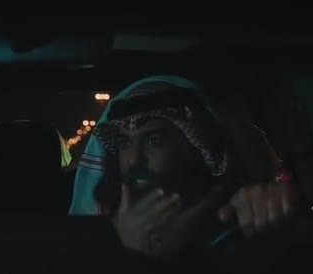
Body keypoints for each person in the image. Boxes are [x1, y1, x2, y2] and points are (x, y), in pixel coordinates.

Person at [70, 76, 296, 259]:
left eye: (154, 141)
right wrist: (127, 251)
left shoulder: (236, 213)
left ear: (196, 148)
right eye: (124, 143)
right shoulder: (93, 233)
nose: (133, 161)